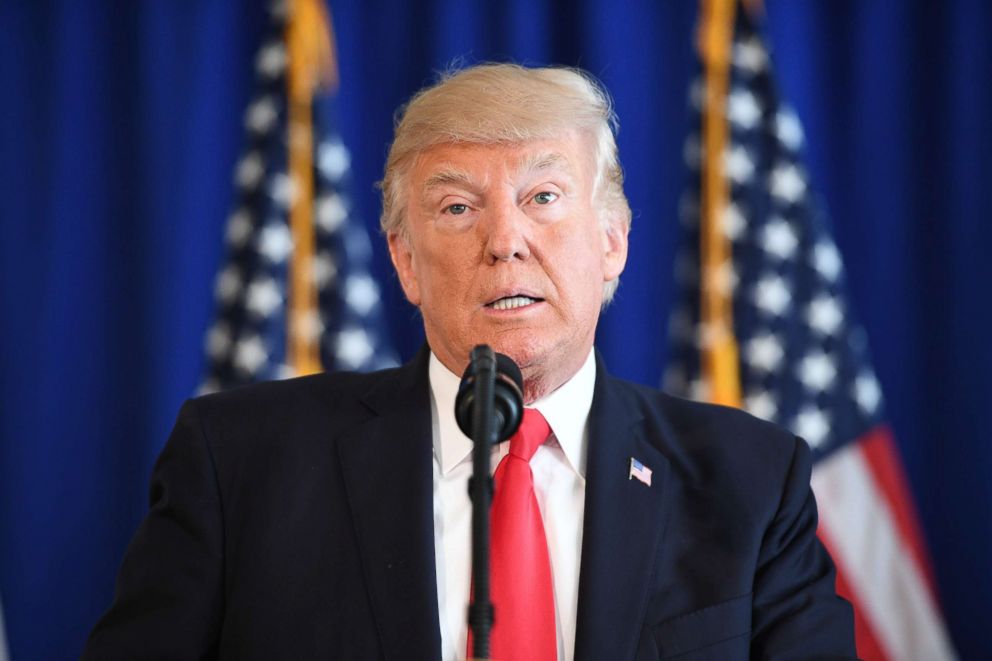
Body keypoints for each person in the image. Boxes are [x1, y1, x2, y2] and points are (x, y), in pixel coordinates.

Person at [83, 63, 855, 660]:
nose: (504, 240)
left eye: (544, 196)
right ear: (405, 260)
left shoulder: (753, 484)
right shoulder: (240, 466)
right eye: (457, 207)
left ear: (612, 241)